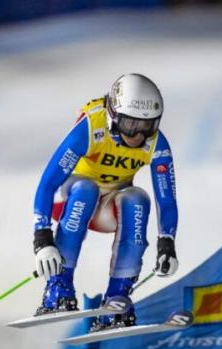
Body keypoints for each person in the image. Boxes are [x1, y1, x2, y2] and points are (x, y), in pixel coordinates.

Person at [32, 73, 179, 330]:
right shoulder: (93, 127)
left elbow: (165, 199)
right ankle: (59, 285)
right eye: (131, 125)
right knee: (86, 189)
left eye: (148, 126)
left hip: (110, 205)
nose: (139, 135)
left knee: (138, 198)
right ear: (113, 115)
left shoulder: (156, 143)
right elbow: (48, 182)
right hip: (70, 198)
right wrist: (42, 238)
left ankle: (118, 296)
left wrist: (167, 242)